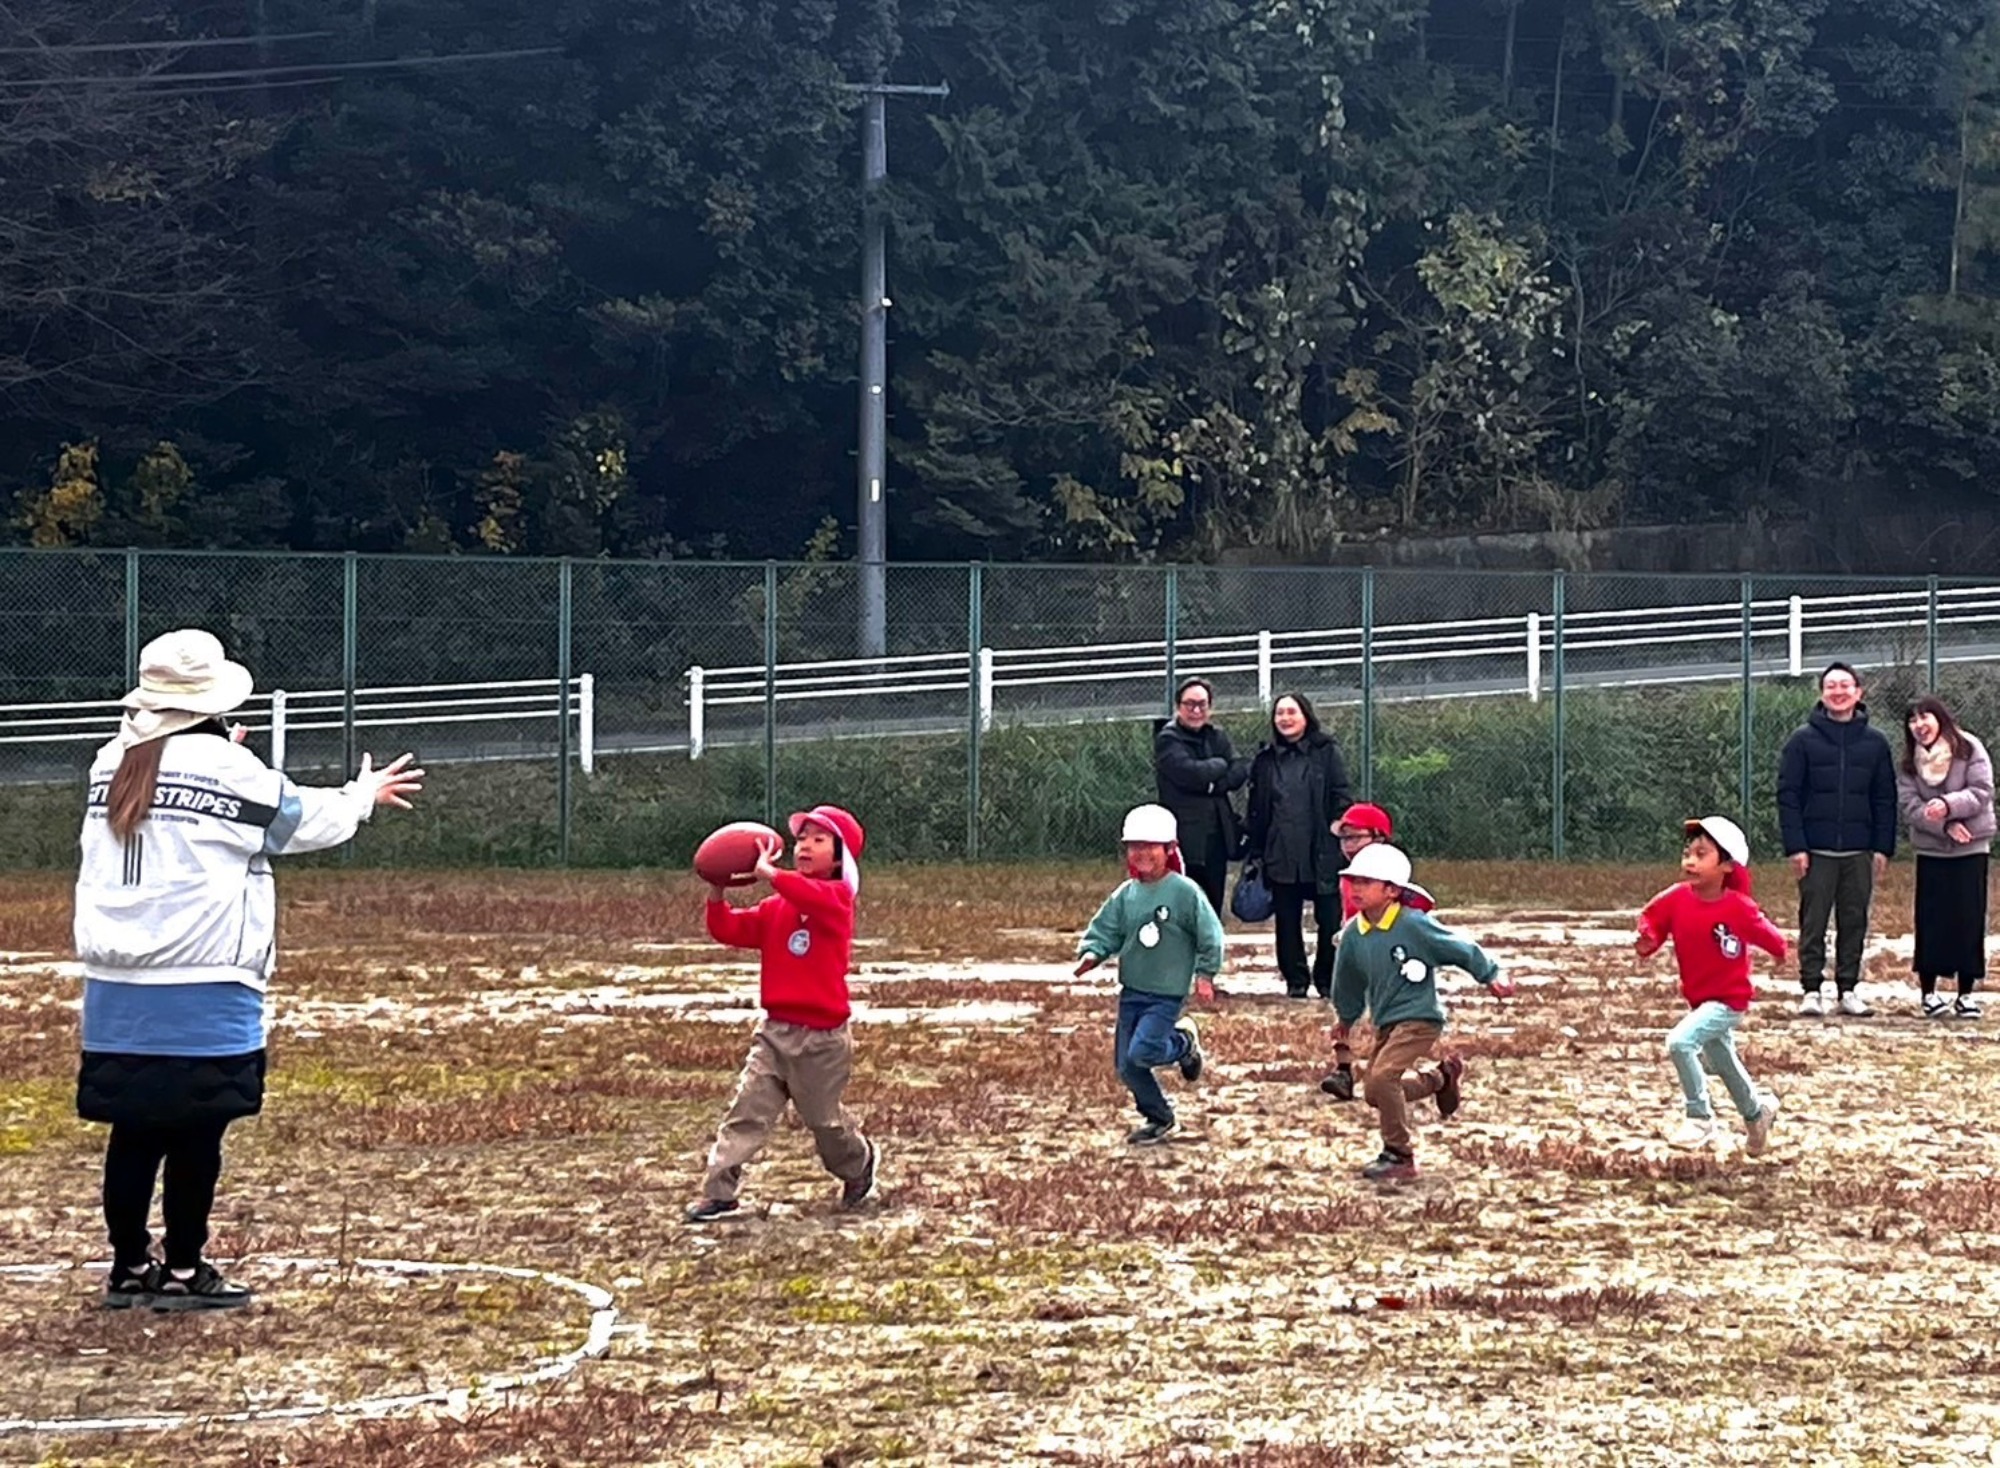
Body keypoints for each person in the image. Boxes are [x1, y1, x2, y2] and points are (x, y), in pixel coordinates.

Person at [74, 629, 423, 1311]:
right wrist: (361, 793)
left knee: (136, 1131)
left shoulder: (109, 761)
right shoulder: (228, 768)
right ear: (219, 702)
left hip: (115, 984)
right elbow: (298, 821)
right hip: (205, 979)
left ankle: (126, 1265)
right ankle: (183, 1266)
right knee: (199, 1133)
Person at [686, 805, 877, 1222]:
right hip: (774, 1034)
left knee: (825, 1125)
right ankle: (719, 1192)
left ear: (840, 857)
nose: (805, 845)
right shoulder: (777, 907)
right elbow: (729, 929)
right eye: (801, 839)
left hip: (823, 1041)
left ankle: (858, 1165)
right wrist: (718, 888)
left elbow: (812, 895)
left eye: (818, 839)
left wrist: (771, 875)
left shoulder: (836, 900)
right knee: (746, 1113)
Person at [1330, 843, 1513, 1181]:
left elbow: (1460, 948)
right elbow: (1348, 980)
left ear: (1392, 890)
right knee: (1375, 1092)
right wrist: (1345, 1016)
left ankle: (1398, 1154)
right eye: (1352, 881)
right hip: (1386, 1022)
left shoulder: (1413, 925)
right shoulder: (1354, 934)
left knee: (1383, 1078)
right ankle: (1440, 1078)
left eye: (1365, 882)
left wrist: (1490, 975)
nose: (1355, 888)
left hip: (1420, 1019)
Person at [1635, 817, 1787, 1154]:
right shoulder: (1677, 898)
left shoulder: (1739, 907)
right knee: (1724, 1063)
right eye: (1687, 853)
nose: (1690, 861)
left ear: (1728, 866)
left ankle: (1699, 1117)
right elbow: (1653, 919)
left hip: (1729, 1001)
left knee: (1679, 1042)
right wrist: (1648, 938)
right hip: (1699, 999)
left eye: (1701, 854)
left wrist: (1779, 949)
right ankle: (1756, 1113)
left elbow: (1770, 935)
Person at [1074, 804, 1224, 1146]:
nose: (1141, 853)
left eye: (1149, 846)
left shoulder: (1184, 892)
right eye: (1134, 846)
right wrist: (1092, 953)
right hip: (1133, 990)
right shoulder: (1126, 894)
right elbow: (1106, 930)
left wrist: (1205, 973)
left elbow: (1209, 934)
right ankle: (1159, 1116)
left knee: (1143, 1051)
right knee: (1127, 1066)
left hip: (1166, 993)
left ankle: (1184, 1043)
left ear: (1169, 849)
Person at [1776, 662, 1898, 1017]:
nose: (1838, 691)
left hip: (1860, 850)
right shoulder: (1802, 740)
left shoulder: (1875, 743)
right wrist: (1796, 846)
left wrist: (1882, 847)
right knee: (1813, 921)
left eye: (1846, 685)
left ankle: (1848, 989)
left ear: (1858, 692)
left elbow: (1884, 799)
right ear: (1822, 693)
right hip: (1815, 850)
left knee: (1855, 920)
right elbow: (1788, 795)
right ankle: (1811, 989)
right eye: (1831, 686)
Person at [1320, 803, 1436, 1100]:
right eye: (1344, 839)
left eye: (1355, 838)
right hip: (1356, 950)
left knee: (1384, 1016)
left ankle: (1409, 1074)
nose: (1348, 846)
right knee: (1343, 1008)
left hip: (1386, 959)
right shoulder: (1348, 875)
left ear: (1379, 838)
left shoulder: (1390, 873)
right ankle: (1343, 1070)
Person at [1244, 692, 1353, 998]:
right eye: (1279, 713)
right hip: (1280, 850)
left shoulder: (1327, 751)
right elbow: (1257, 806)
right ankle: (1295, 981)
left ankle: (1327, 980)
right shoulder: (1265, 759)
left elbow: (1341, 792)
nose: (1285, 718)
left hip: (1322, 849)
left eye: (1292, 712)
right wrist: (1256, 845)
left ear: (1305, 715)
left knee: (1330, 918)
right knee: (1287, 920)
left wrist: (1338, 823)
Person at [1896, 696, 1995, 1018]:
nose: (1919, 725)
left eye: (1925, 717)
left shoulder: (1969, 747)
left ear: (1940, 718)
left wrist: (1950, 807)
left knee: (1968, 919)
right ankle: (1929, 992)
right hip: (1932, 849)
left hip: (1971, 848)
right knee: (1932, 921)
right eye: (1912, 720)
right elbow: (1910, 806)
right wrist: (1944, 825)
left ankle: (1966, 994)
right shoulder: (1909, 762)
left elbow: (1981, 791)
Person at [1153, 677, 1250, 920]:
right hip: (1185, 838)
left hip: (1217, 835)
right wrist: (1219, 765)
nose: (1196, 710)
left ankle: (1211, 955)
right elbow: (1190, 774)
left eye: (1202, 704)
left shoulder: (1217, 736)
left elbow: (1239, 769)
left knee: (1213, 906)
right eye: (1190, 704)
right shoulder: (1168, 739)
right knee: (1185, 905)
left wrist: (1214, 785)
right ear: (1178, 707)